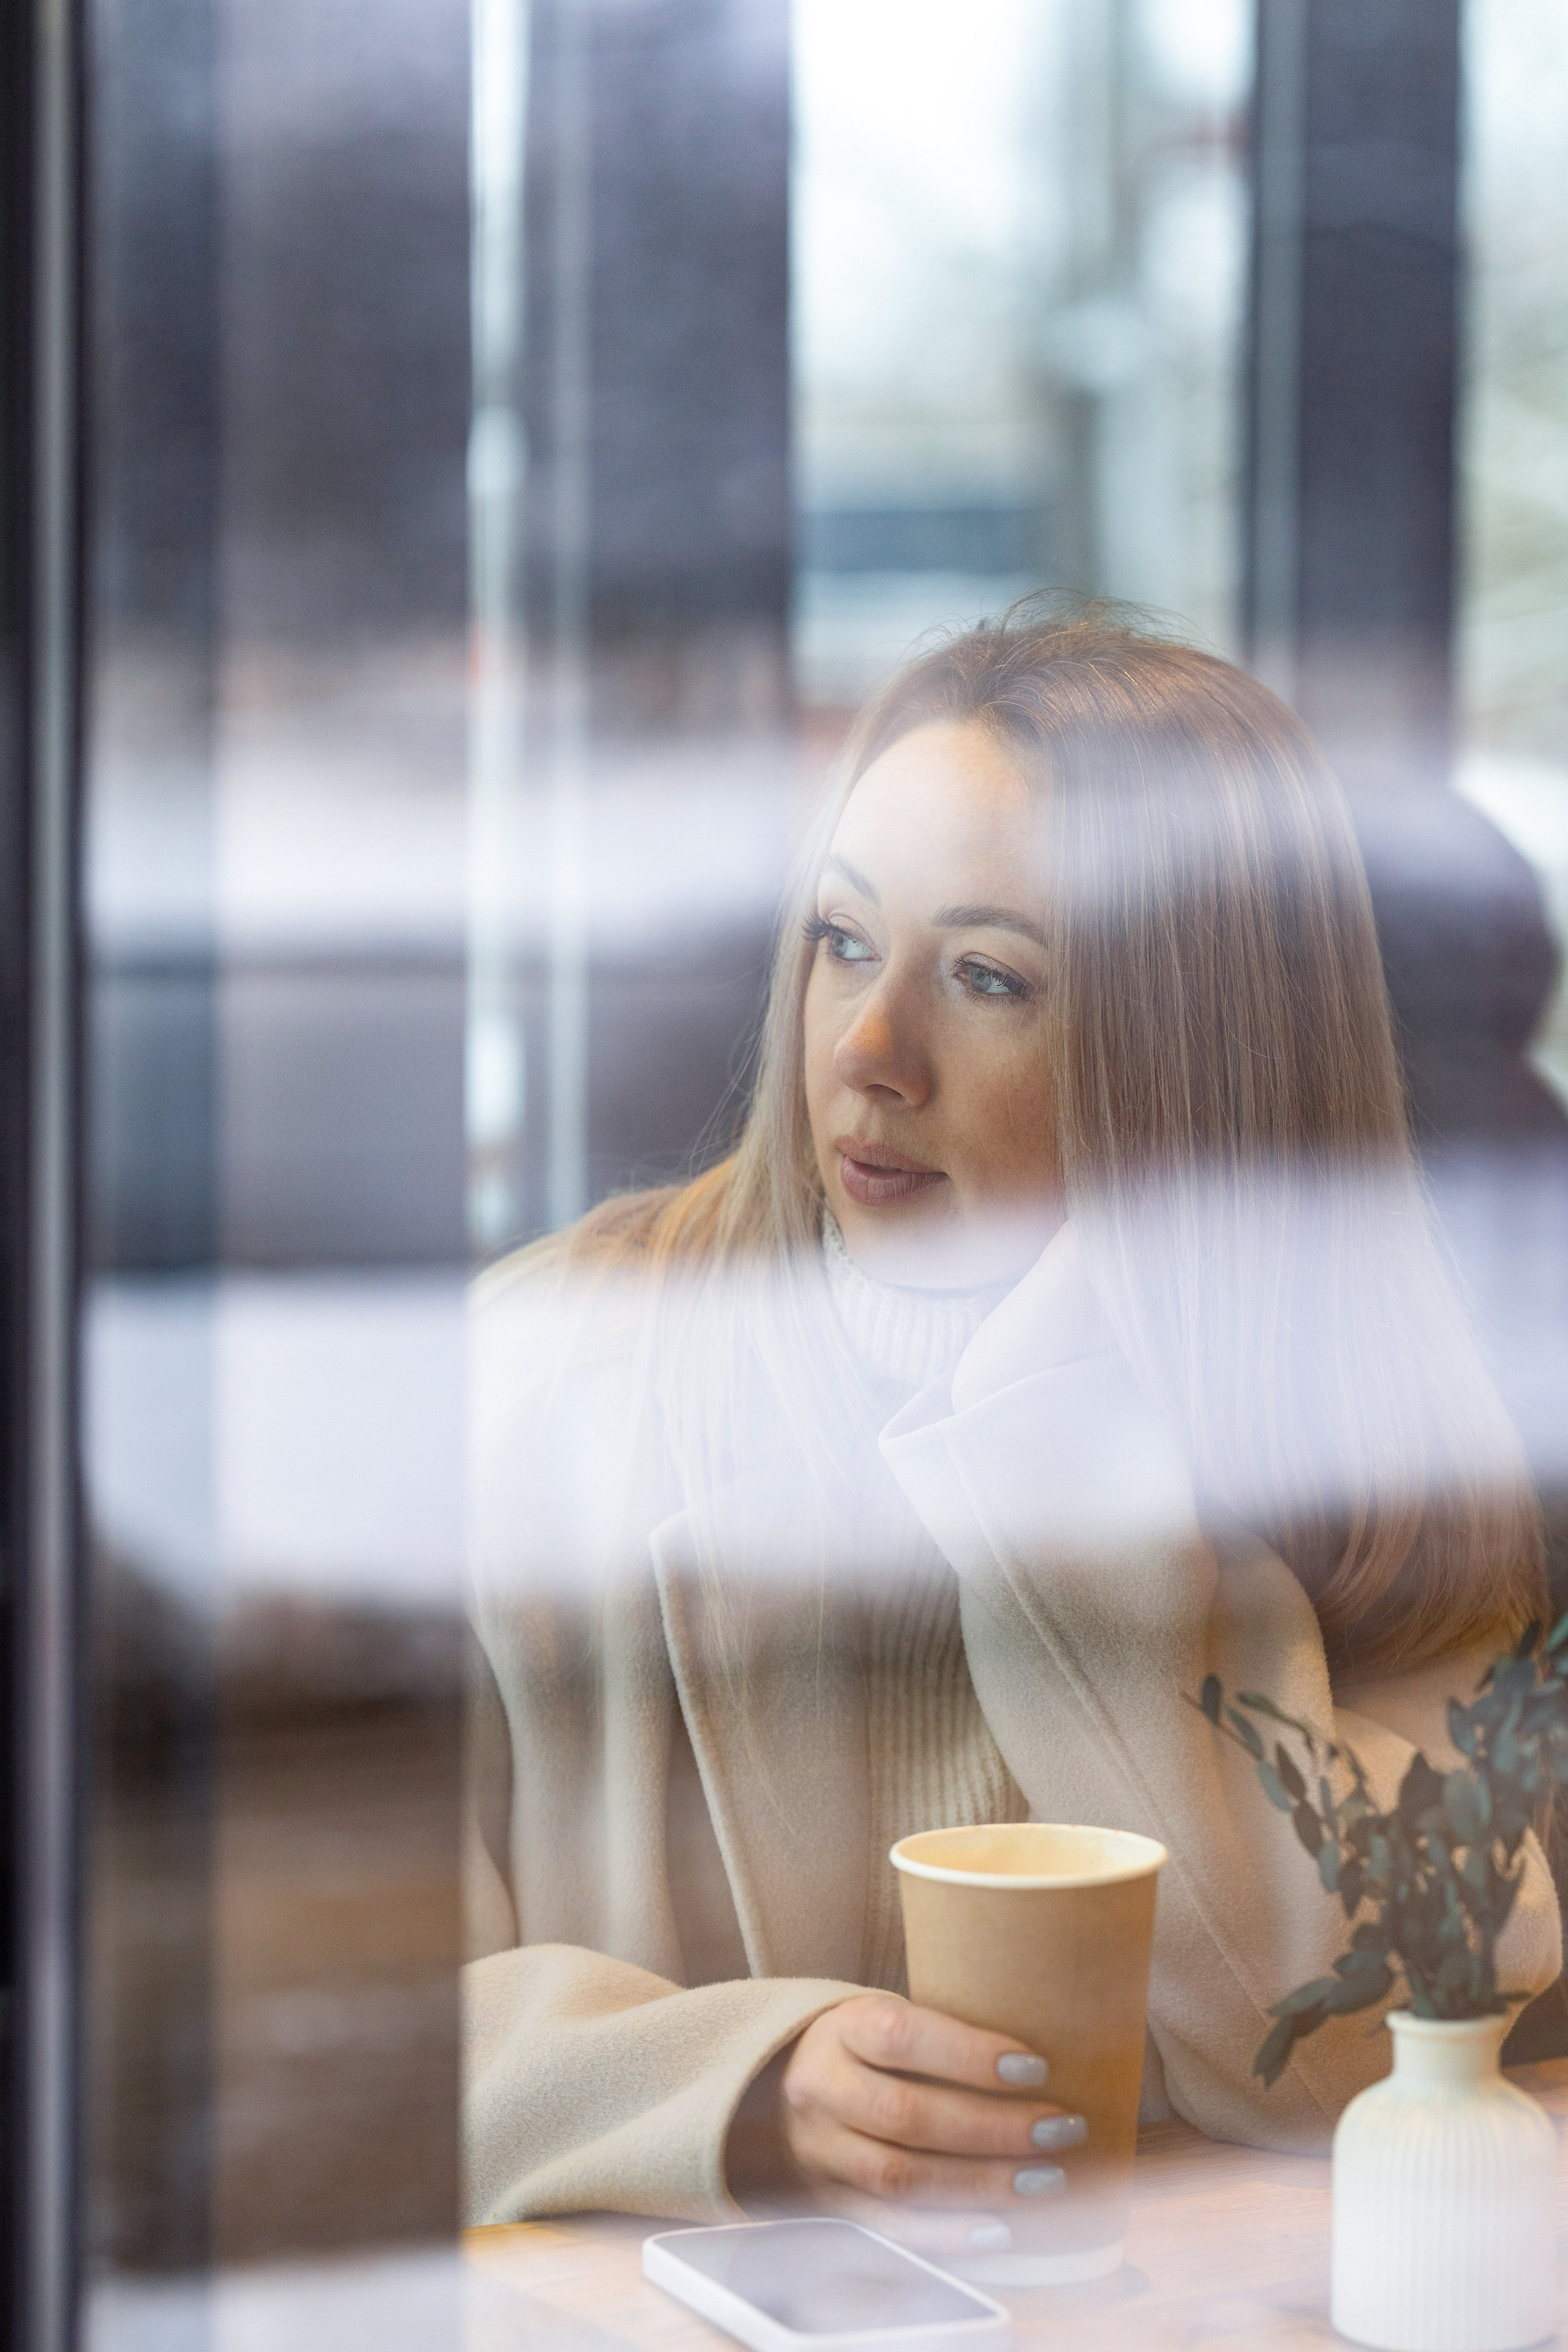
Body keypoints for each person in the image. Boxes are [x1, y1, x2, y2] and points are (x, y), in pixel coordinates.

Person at [464, 606, 1561, 2237]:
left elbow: (1355, 2057)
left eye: (988, 977)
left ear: (1195, 1059)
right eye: (843, 940)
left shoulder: (1388, 1451)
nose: (869, 1050)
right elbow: (300, 2008)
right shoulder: (553, 1370)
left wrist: (1064, 1451)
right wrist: (734, 2089)